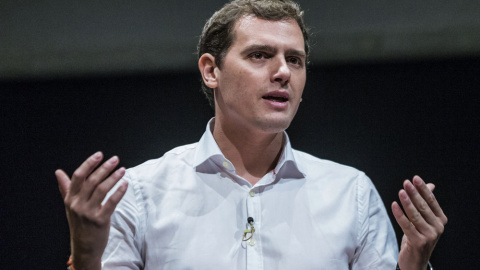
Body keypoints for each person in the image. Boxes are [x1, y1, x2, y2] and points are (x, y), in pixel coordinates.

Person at [56, 0, 447, 269]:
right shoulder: (140, 193)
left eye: (294, 60)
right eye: (260, 55)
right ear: (211, 70)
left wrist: (413, 262)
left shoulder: (351, 195)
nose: (283, 72)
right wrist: (87, 255)